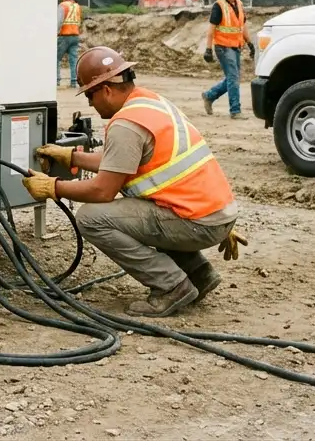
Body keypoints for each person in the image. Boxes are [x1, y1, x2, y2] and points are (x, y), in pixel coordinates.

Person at [25, 46, 246, 317]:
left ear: (106, 89)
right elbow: (120, 160)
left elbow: (103, 190)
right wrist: (72, 156)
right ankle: (199, 274)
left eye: (90, 95)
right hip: (215, 213)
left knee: (92, 218)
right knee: (143, 212)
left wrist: (52, 188)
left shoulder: (126, 124)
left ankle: (171, 286)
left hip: (197, 221)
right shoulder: (150, 103)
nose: (90, 104)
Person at [202, 0, 254, 120]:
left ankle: (209, 95)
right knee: (233, 77)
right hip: (222, 47)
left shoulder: (239, 5)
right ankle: (235, 110)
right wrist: (208, 49)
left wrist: (250, 43)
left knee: (233, 78)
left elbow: (242, 26)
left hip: (235, 47)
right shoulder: (219, 6)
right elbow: (211, 29)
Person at [56, 0, 83, 88]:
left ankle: (57, 80)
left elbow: (59, 21)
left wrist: (55, 33)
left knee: (56, 59)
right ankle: (73, 82)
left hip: (64, 35)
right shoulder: (77, 6)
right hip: (75, 36)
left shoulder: (63, 6)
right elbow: (79, 21)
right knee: (73, 60)